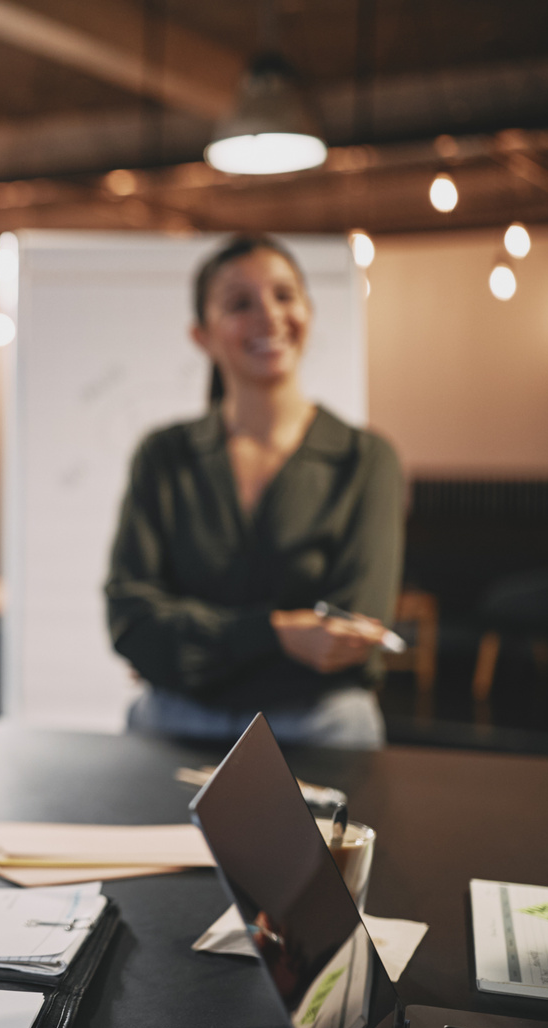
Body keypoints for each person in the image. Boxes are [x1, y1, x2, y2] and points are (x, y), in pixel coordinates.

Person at [105, 234, 404, 749]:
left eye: (284, 295)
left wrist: (193, 654)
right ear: (202, 335)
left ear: (308, 311)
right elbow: (132, 621)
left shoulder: (367, 459)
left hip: (318, 722)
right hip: (177, 718)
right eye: (240, 303)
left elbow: (354, 639)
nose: (268, 315)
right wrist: (283, 635)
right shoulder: (163, 456)